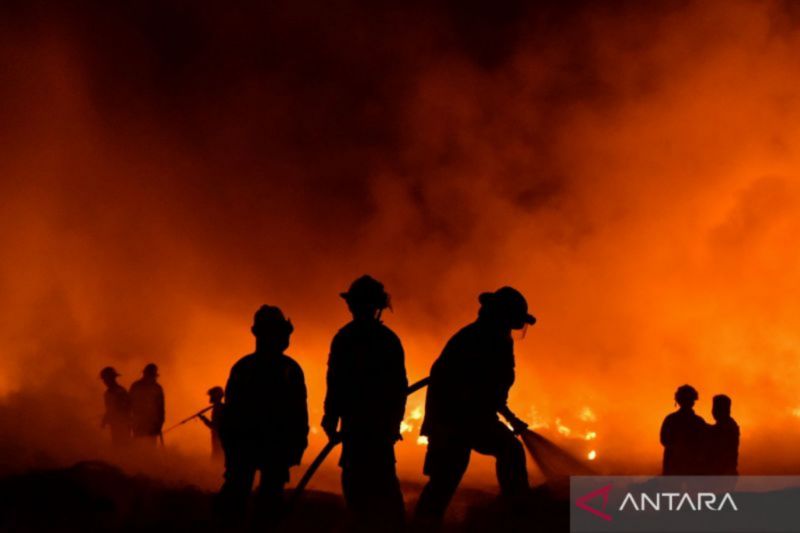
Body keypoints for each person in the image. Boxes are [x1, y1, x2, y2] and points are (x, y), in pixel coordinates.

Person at [415, 287, 535, 523]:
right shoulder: (476, 339)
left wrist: (509, 417)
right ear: (502, 316)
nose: (515, 328)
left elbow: (492, 390)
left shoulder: (496, 338)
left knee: (509, 451)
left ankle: (518, 515)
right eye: (513, 321)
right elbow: (476, 389)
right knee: (446, 479)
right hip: (452, 422)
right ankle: (519, 517)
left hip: (472, 419)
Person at [322, 275, 408, 530]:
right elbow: (399, 388)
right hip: (375, 429)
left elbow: (335, 382)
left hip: (360, 427)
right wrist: (393, 424)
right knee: (383, 488)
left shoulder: (345, 337)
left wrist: (331, 417)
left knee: (359, 486)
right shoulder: (388, 340)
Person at [217, 305, 309, 526]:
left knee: (250, 499)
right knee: (251, 500)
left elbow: (298, 413)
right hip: (258, 446)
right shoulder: (286, 369)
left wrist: (297, 443)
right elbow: (298, 413)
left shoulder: (245, 367)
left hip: (259, 448)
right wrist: (297, 444)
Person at [660, 384, 708, 475]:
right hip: (691, 466)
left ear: (678, 400)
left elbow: (664, 440)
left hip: (673, 465)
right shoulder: (698, 421)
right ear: (693, 401)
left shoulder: (670, 419)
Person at [129, 363, 166, 445]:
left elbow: (161, 408)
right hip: (138, 422)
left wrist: (160, 423)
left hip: (152, 424)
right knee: (139, 445)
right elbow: (129, 403)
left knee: (150, 446)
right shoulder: (136, 386)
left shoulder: (157, 388)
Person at [707, 394, 739, 475]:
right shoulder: (728, 425)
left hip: (723, 473)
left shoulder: (728, 427)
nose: (713, 411)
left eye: (716, 408)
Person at [100, 366, 131, 446]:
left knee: (124, 447)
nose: (104, 381)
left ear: (112, 378)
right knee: (117, 446)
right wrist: (105, 419)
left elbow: (127, 408)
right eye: (104, 379)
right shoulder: (107, 393)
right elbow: (110, 409)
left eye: (106, 379)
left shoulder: (120, 391)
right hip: (115, 425)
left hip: (123, 425)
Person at [199, 386, 225, 461]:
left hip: (219, 439)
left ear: (216, 396)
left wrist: (203, 419)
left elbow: (214, 426)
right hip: (219, 438)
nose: (210, 398)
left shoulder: (218, 409)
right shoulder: (219, 407)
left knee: (217, 458)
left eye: (211, 395)